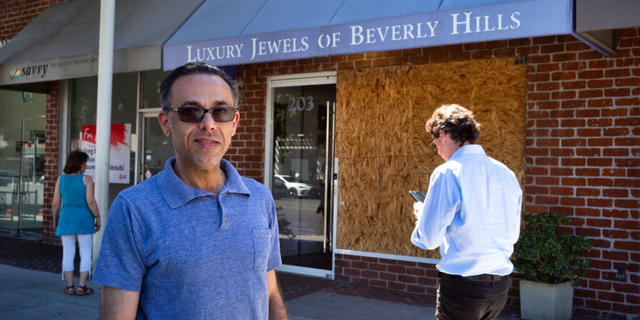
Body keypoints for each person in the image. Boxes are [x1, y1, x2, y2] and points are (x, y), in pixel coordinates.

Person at [93, 62, 287, 319]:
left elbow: (270, 292)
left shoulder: (260, 198)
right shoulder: (134, 209)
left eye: (221, 111)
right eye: (191, 111)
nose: (208, 123)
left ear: (235, 123)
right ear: (165, 122)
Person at [411, 104, 522, 320]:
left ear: (442, 134)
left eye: (433, 143)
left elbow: (429, 239)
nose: (436, 149)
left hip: (462, 287)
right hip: (499, 287)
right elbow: (512, 233)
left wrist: (421, 216)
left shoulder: (447, 173)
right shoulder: (506, 173)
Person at [52, 150, 101, 296]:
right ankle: (82, 286)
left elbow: (55, 203)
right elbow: (90, 201)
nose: (86, 165)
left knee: (68, 253)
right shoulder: (86, 179)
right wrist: (97, 216)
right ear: (79, 163)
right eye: (85, 162)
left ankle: (69, 286)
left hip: (66, 219)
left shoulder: (60, 179)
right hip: (83, 219)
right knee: (85, 252)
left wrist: (55, 220)